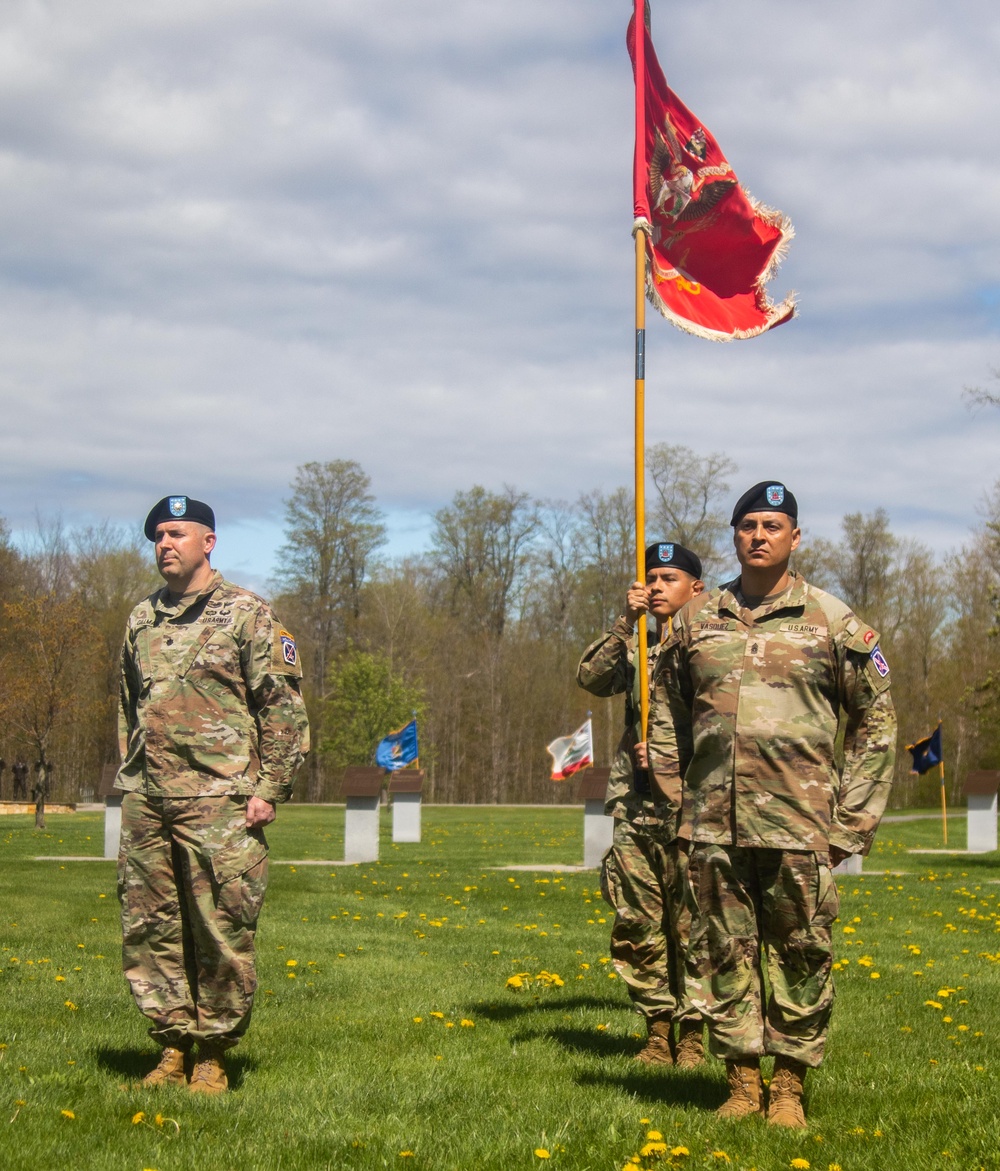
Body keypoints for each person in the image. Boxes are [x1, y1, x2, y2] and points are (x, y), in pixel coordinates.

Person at [648, 481, 896, 1126]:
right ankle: (741, 1084)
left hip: (800, 824)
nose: (759, 535)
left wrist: (853, 820)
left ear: (794, 537)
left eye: (772, 526)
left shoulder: (832, 621)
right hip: (712, 825)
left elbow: (876, 722)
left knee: (801, 952)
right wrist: (681, 804)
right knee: (723, 953)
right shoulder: (698, 622)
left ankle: (788, 1086)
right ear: (734, 535)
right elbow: (666, 719)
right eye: (748, 525)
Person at [116, 495, 309, 1094]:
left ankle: (213, 1056)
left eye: (177, 533)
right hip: (150, 799)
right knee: (151, 928)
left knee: (221, 927)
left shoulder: (247, 614)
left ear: (209, 541)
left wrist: (270, 787)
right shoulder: (141, 618)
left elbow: (281, 707)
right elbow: (129, 704)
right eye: (157, 536)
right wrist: (130, 777)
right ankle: (171, 1048)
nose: (165, 544)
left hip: (221, 800)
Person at [577, 541, 706, 1068]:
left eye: (669, 578)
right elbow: (592, 678)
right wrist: (624, 623)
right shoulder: (638, 648)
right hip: (637, 803)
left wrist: (674, 756)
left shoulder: (712, 646)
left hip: (696, 805)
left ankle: (695, 1031)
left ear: (696, 588)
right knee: (638, 919)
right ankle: (656, 1029)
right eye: (650, 578)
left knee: (695, 923)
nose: (656, 586)